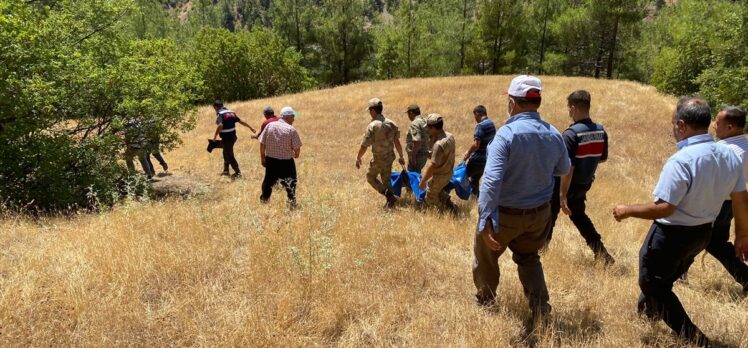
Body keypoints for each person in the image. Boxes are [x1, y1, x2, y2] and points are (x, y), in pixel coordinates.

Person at [613, 98, 748, 346]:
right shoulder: (730, 156)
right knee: (663, 278)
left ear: (682, 125)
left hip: (671, 234)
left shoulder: (682, 160)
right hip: (703, 233)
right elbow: (740, 199)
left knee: (652, 282)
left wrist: (627, 210)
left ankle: (696, 339)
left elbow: (665, 207)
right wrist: (742, 235)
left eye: (674, 125)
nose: (673, 129)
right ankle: (647, 314)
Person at [473, 75, 571, 318]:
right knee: (529, 258)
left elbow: (492, 181)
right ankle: (540, 309)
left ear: (512, 102)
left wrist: (485, 218)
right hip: (539, 215)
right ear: (537, 102)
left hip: (506, 215)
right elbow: (563, 169)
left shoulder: (506, 135)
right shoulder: (553, 134)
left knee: (486, 255)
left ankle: (486, 300)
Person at [682, 106, 748, 291]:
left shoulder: (723, 150)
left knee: (695, 238)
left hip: (714, 203)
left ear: (730, 127)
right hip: (731, 204)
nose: (713, 126)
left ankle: (675, 275)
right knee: (715, 243)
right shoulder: (745, 145)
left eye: (717, 123)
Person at [545, 90, 613, 265]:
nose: (568, 112)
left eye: (569, 108)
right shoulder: (600, 131)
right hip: (584, 183)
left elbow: (568, 168)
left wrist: (562, 195)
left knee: (549, 217)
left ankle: (540, 252)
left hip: (565, 185)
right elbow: (603, 158)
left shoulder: (570, 134)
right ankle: (602, 253)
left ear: (573, 108)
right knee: (580, 217)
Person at [356, 98, 406, 208]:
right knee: (386, 179)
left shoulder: (373, 126)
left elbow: (364, 145)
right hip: (389, 157)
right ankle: (392, 201)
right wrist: (401, 156)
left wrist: (358, 157)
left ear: (373, 111)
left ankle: (389, 196)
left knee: (370, 177)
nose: (369, 113)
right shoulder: (392, 123)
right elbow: (397, 142)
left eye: (369, 110)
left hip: (379, 159)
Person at [259, 106, 302, 207]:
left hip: (271, 160)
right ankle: (291, 202)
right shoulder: (291, 130)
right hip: (286, 162)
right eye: (292, 116)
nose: (294, 119)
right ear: (287, 117)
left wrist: (262, 157)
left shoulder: (270, 126)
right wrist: (296, 155)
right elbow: (297, 149)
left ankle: (264, 199)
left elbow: (262, 143)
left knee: (268, 181)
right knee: (291, 182)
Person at [418, 113, 458, 214]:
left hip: (440, 175)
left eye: (428, 128)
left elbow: (433, 165)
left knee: (430, 195)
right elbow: (443, 155)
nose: (427, 130)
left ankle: (440, 214)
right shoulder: (450, 136)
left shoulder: (438, 144)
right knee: (439, 191)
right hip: (448, 173)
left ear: (433, 128)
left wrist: (423, 181)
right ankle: (451, 206)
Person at [212, 100, 256, 178]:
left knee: (229, 155)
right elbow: (241, 121)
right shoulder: (231, 112)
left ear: (216, 107)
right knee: (226, 152)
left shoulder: (220, 114)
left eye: (214, 108)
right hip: (233, 137)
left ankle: (237, 172)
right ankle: (226, 171)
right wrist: (250, 127)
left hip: (227, 138)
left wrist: (215, 136)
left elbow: (220, 125)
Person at [462, 105, 496, 198]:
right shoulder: (491, 124)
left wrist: (468, 153)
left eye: (475, 116)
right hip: (486, 159)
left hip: (477, 159)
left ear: (477, 114)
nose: (475, 118)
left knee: (461, 176)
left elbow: (476, 145)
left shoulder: (480, 126)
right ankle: (476, 198)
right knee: (475, 179)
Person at [405, 104, 429, 174]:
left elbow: (417, 141)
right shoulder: (424, 121)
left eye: (408, 113)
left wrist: (413, 157)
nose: (408, 116)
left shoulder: (415, 123)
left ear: (411, 113)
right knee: (417, 175)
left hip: (417, 156)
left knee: (412, 178)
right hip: (424, 154)